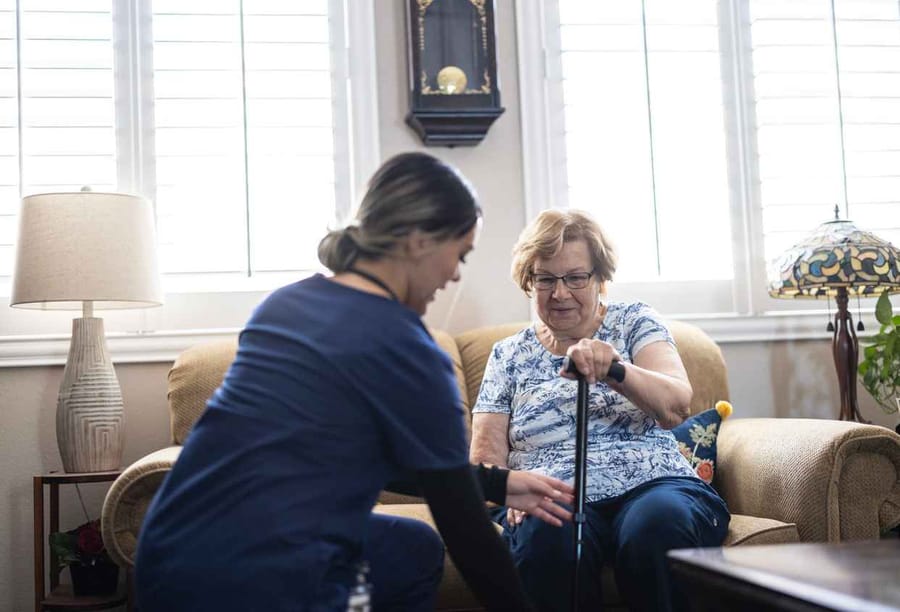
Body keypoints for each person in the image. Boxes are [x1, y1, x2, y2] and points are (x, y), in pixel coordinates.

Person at [134, 152, 576, 611]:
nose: (456, 274)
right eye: (459, 254)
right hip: (263, 575)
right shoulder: (410, 352)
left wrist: (496, 484)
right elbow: (466, 532)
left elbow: (364, 457)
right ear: (421, 241)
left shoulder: (284, 304)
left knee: (410, 548)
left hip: (169, 549)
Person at [470, 209, 731, 612]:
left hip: (652, 483)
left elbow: (676, 405)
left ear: (600, 279)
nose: (560, 293)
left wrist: (614, 370)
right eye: (545, 279)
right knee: (545, 535)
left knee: (658, 524)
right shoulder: (508, 355)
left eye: (575, 277)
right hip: (551, 492)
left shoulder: (634, 322)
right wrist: (514, 490)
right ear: (529, 282)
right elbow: (485, 459)